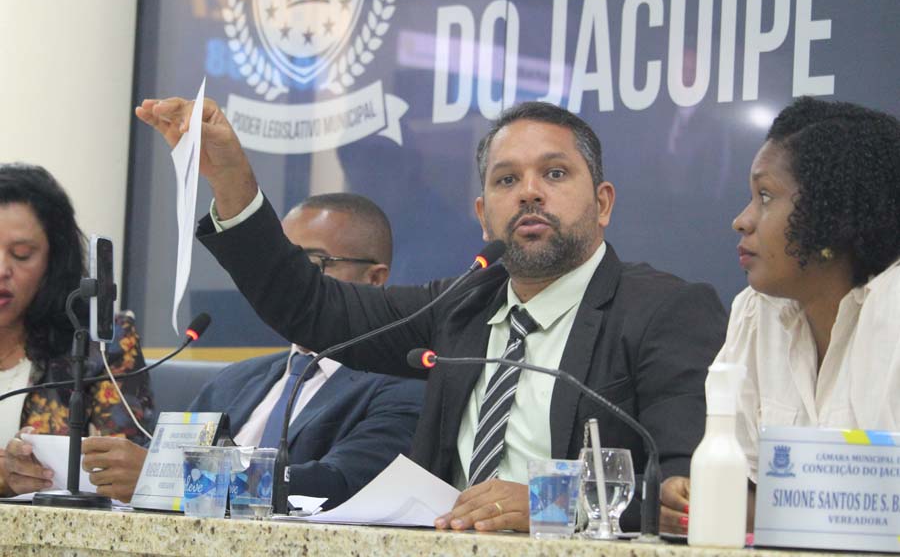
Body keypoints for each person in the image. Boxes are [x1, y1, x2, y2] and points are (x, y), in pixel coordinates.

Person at [136, 98, 727, 532]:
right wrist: (232, 180)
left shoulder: (665, 311)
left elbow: (688, 495)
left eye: (554, 173)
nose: (529, 192)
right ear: (483, 214)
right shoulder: (460, 306)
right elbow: (310, 306)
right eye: (507, 179)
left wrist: (552, 504)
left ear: (602, 204)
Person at [81, 193, 425, 508]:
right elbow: (151, 462)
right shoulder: (235, 380)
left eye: (310, 263)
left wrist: (176, 479)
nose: (292, 282)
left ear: (375, 278)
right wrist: (83, 470)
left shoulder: (405, 384)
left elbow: (337, 485)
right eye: (281, 265)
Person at [659, 97, 900, 533]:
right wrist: (705, 498)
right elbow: (764, 499)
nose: (741, 220)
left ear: (831, 212)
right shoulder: (756, 312)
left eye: (765, 196)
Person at [0, 163, 153, 497]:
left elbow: (123, 474)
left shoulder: (100, 344)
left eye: (21, 255)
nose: (2, 269)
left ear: (54, 262)